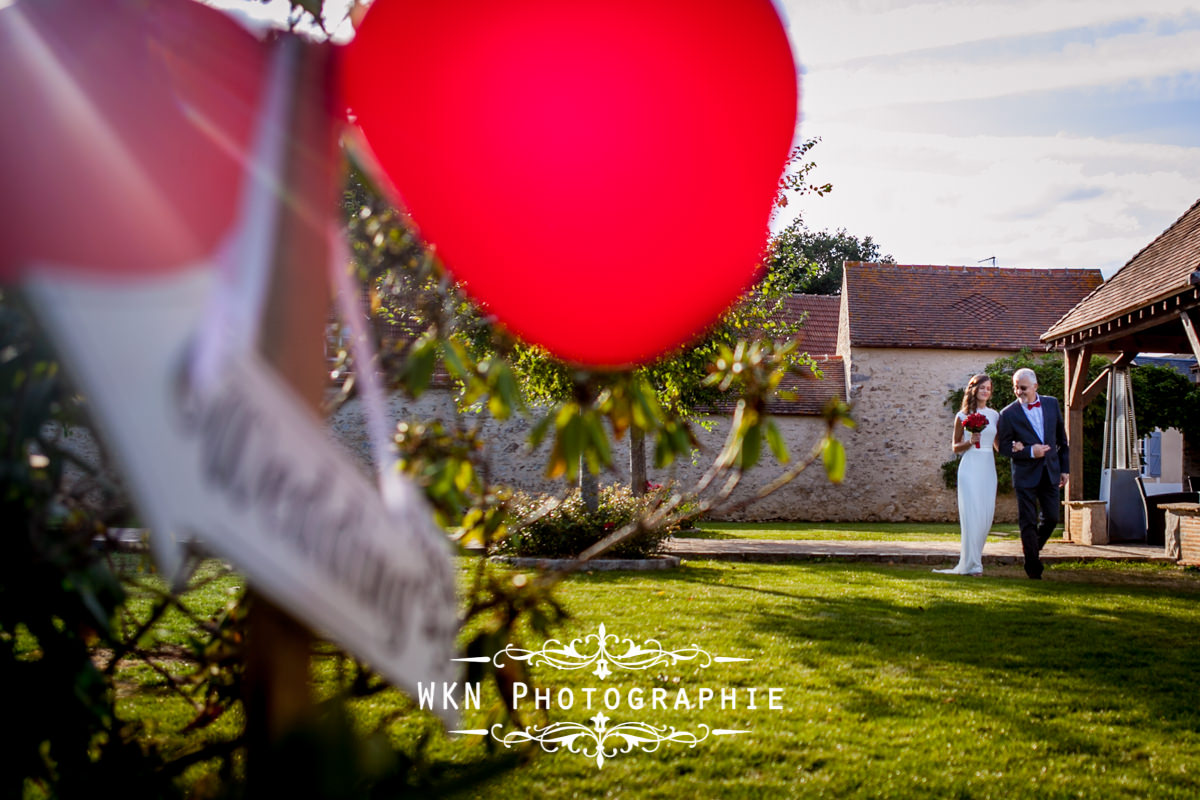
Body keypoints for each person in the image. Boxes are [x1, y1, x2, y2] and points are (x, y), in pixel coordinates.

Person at [996, 367, 1069, 580]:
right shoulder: (1008, 414)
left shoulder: (1051, 403)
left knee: (1052, 518)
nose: (1019, 392)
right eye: (1015, 388)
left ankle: (1031, 551)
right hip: (1025, 474)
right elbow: (1003, 447)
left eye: (1023, 388)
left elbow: (1062, 441)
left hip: (1050, 472)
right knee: (1027, 521)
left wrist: (1065, 469)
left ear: (1035, 387)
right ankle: (1033, 568)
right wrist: (1029, 451)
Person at [934, 373, 1008, 576]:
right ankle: (974, 565)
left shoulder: (994, 415)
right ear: (973, 389)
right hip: (970, 467)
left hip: (987, 468)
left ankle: (973, 560)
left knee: (985, 517)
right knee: (972, 517)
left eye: (989, 388)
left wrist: (1017, 448)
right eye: (983, 387)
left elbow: (998, 446)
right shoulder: (961, 416)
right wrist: (970, 441)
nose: (986, 391)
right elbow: (955, 447)